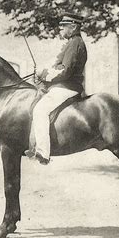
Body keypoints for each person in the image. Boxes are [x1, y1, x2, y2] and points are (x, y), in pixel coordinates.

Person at [27, 12, 87, 165]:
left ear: (73, 27)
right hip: (63, 85)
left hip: (68, 86)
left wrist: (45, 75)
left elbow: (66, 70)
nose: (61, 29)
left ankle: (43, 152)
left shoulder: (75, 43)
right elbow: (57, 65)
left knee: (40, 110)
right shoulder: (71, 42)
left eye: (64, 26)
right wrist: (43, 71)